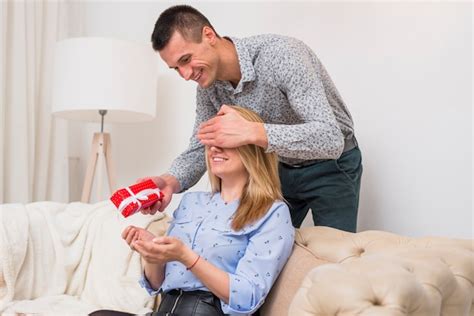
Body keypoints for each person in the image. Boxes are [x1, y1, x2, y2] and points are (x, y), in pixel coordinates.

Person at [143, 5, 362, 232]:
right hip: (278, 167)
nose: (186, 75)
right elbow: (202, 146)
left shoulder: (282, 55)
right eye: (176, 68)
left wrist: (253, 132)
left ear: (209, 35)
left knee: (335, 255)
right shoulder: (208, 85)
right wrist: (170, 180)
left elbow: (330, 138)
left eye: (186, 59)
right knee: (263, 248)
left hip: (333, 165)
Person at [91, 106, 294, 316]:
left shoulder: (272, 213)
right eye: (210, 142)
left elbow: (248, 297)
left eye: (224, 140)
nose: (214, 149)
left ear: (252, 148)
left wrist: (187, 257)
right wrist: (153, 255)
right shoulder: (191, 202)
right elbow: (157, 283)